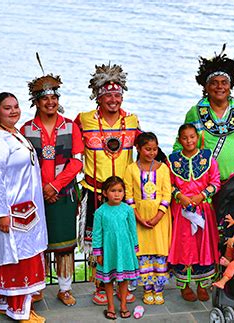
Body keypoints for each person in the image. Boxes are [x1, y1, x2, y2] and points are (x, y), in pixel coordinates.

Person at [75, 63, 140, 305]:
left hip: (122, 195)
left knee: (121, 238)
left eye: (117, 95)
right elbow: (69, 148)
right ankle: (101, 285)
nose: (113, 100)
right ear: (98, 97)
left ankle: (123, 282)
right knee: (97, 241)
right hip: (94, 192)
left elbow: (147, 151)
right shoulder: (83, 120)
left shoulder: (132, 121)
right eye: (108, 96)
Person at [0, 92, 47, 322]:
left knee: (20, 251)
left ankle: (3, 300)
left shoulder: (13, 133)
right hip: (9, 207)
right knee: (16, 255)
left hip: (23, 203)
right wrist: (2, 213)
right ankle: (20, 310)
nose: (14, 111)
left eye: (16, 106)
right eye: (7, 108)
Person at [21, 73, 84, 306]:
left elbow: (77, 161)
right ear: (36, 102)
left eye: (54, 98)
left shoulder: (70, 127)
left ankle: (64, 289)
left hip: (64, 193)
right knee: (37, 243)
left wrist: (55, 185)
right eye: (45, 99)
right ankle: (37, 287)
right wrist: (43, 188)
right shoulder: (26, 130)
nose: (50, 102)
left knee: (64, 244)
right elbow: (24, 164)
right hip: (36, 195)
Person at [173, 44, 234, 182]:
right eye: (214, 83)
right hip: (205, 184)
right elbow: (181, 144)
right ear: (206, 87)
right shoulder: (195, 113)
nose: (220, 87)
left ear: (230, 86)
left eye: (224, 82)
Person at [167, 123, 220, 302]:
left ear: (197, 138)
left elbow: (215, 182)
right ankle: (185, 286)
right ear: (179, 140)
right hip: (182, 211)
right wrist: (179, 195)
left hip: (202, 209)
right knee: (184, 246)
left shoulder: (208, 158)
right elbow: (169, 184)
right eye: (185, 137)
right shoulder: (173, 160)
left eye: (192, 137)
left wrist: (202, 195)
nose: (189, 140)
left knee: (202, 246)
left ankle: (202, 285)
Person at [124, 132, 172, 305]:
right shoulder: (131, 169)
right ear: (138, 148)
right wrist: (137, 217)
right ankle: (147, 289)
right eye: (147, 149)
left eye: (154, 149)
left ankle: (158, 289)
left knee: (159, 252)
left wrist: (159, 215)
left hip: (160, 218)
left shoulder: (163, 168)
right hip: (139, 217)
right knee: (143, 253)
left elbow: (167, 193)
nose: (151, 153)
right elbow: (128, 195)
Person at [93, 176, 140, 319]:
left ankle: (124, 305)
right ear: (105, 193)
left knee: (123, 278)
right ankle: (111, 306)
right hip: (108, 251)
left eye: (120, 191)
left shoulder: (128, 210)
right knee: (108, 279)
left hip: (125, 250)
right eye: (113, 191)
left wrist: (134, 249)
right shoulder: (100, 212)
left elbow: (133, 230)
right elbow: (97, 234)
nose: (117, 194)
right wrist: (98, 253)